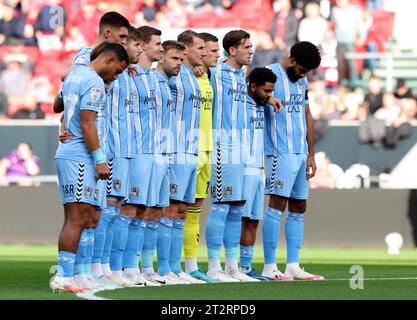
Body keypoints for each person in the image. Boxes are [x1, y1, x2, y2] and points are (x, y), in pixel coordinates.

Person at [50, 43, 129, 293]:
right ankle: (63, 275)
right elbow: (87, 123)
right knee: (77, 217)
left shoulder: (74, 75)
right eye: (118, 69)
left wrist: (65, 124)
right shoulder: (94, 82)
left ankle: (82, 274)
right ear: (109, 60)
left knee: (91, 217)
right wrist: (99, 159)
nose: (116, 76)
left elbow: (58, 106)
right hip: (80, 156)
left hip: (76, 153)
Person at [262, 41, 325, 281]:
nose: (303, 75)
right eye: (301, 70)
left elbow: (307, 115)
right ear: (292, 60)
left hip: (300, 152)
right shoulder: (270, 75)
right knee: (277, 205)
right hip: (279, 150)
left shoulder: (302, 81)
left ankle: (292, 266)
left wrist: (311, 153)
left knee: (299, 206)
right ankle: (269, 266)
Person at [90, 27, 146, 289]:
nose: (136, 48)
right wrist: (65, 123)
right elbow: (68, 91)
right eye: (127, 41)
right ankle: (89, 268)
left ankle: (106, 267)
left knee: (113, 210)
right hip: (104, 148)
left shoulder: (132, 73)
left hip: (124, 148)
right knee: (98, 211)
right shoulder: (88, 62)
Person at [113, 25, 166, 286]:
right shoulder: (125, 74)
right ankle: (118, 267)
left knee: (144, 210)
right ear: (143, 45)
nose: (162, 48)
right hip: (130, 149)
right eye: (158, 43)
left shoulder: (156, 77)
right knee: (128, 208)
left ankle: (133, 268)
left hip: (153, 151)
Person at [205, 29, 255, 282]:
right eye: (246, 47)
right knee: (221, 206)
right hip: (222, 146)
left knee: (237, 207)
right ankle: (214, 267)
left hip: (242, 147)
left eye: (251, 46)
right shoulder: (215, 72)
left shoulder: (242, 75)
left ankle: (232, 266)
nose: (251, 50)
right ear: (232, 50)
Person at [165, 30, 206, 284]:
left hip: (192, 151)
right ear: (186, 50)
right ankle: (163, 268)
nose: (203, 53)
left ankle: (176, 267)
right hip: (176, 150)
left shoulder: (192, 77)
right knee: (171, 209)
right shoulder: (173, 78)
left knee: (182, 210)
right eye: (199, 48)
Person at [183, 32, 220, 283]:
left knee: (196, 209)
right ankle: (162, 266)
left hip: (207, 150)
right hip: (185, 150)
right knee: (173, 210)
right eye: (205, 50)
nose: (208, 54)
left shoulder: (211, 77)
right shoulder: (184, 76)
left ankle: (191, 266)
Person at [155, 40, 189, 284]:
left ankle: (172, 268)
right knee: (152, 210)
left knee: (178, 211)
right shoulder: (155, 80)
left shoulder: (173, 82)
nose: (180, 63)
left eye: (181, 59)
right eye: (176, 58)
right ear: (162, 56)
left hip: (175, 151)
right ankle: (158, 268)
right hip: (157, 152)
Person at [239, 67, 277, 281]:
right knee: (239, 218)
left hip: (258, 169)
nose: (269, 95)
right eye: (267, 91)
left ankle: (245, 267)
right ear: (253, 87)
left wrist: (269, 100)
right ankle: (231, 266)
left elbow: (267, 99)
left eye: (272, 91)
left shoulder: (262, 105)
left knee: (253, 219)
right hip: (242, 168)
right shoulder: (238, 105)